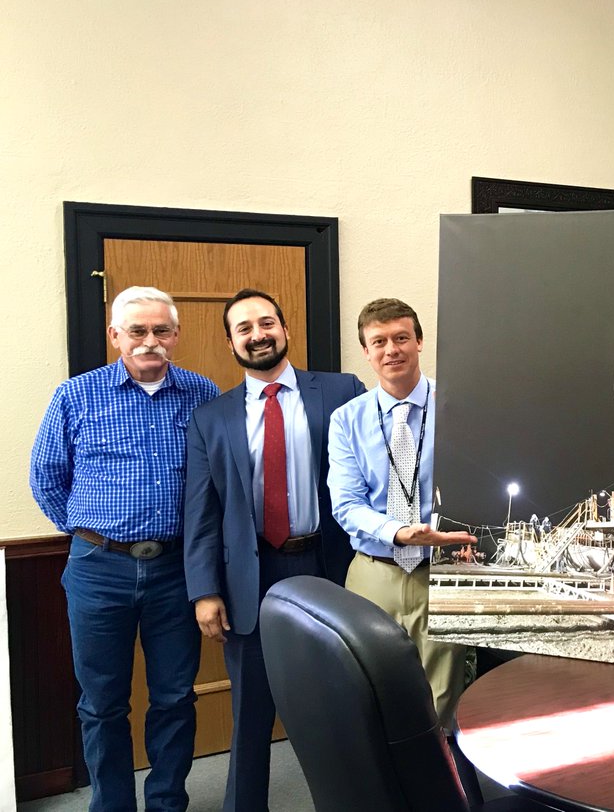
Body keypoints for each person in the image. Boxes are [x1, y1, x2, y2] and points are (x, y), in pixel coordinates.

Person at [30, 286, 219, 812]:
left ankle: (166, 803)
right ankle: (111, 805)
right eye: (137, 330)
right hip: (98, 570)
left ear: (176, 335)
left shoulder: (202, 393)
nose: (149, 340)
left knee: (175, 697)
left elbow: (215, 479)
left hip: (177, 570)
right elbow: (46, 476)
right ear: (116, 335)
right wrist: (91, 534)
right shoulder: (76, 395)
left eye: (161, 330)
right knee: (101, 703)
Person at [183, 289, 365, 811]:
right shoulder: (210, 418)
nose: (258, 334)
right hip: (251, 575)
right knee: (251, 708)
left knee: (342, 698)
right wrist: (204, 591)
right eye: (244, 328)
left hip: (330, 565)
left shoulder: (341, 391)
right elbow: (201, 513)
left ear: (285, 329)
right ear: (231, 343)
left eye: (266, 323)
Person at [327, 298, 476, 726]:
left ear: (419, 342)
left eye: (401, 338)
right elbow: (346, 503)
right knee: (370, 688)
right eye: (379, 342)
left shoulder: (458, 407)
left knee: (441, 694)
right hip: (375, 571)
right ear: (366, 351)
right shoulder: (347, 420)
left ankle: (437, 767)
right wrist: (397, 531)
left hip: (443, 571)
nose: (391, 349)